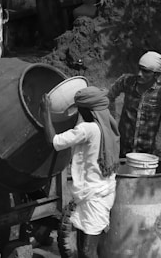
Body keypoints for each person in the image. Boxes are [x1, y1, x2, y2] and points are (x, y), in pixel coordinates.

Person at [40, 86, 120, 258]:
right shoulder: (105, 125)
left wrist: (46, 112)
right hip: (103, 192)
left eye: (79, 109)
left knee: (86, 251)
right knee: (86, 244)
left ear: (86, 110)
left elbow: (53, 141)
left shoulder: (87, 129)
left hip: (92, 197)